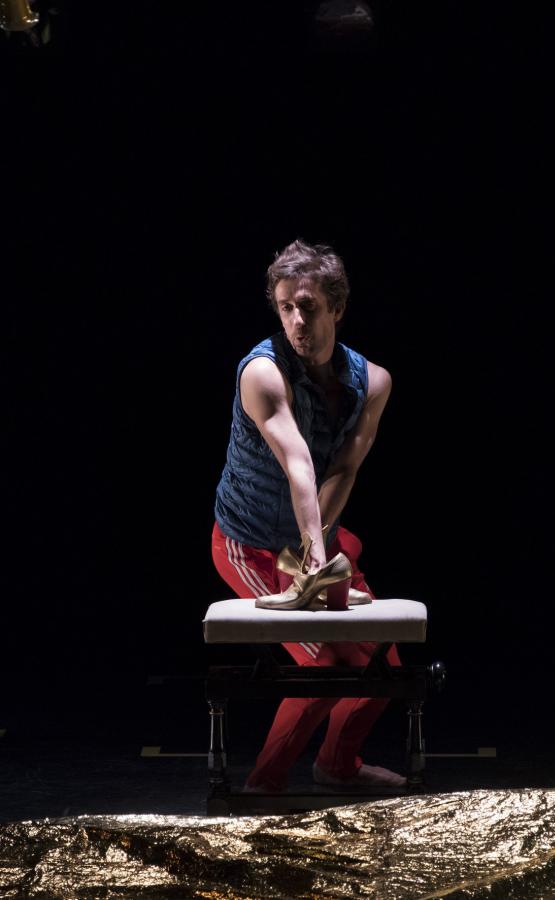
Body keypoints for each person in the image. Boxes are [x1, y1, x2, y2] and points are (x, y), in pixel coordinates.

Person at [211, 238, 405, 792]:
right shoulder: (263, 373)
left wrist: (315, 549)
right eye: (286, 308)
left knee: (381, 664)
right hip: (250, 545)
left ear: (337, 308)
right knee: (326, 666)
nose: (297, 320)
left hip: (312, 536)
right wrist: (314, 557)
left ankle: (337, 766)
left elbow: (343, 467)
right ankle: (264, 783)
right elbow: (298, 462)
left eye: (309, 306)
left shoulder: (373, 382)